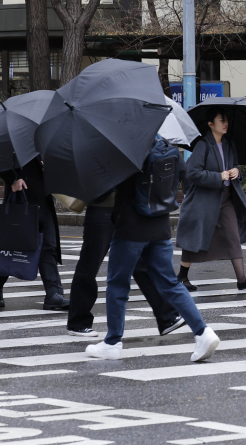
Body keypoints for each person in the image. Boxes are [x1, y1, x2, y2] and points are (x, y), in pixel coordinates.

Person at [85, 142, 219, 361]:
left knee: (118, 284)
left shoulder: (126, 148)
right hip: (160, 226)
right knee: (170, 283)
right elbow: (182, 175)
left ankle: (112, 342)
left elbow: (108, 183)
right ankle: (203, 332)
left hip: (130, 228)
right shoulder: (166, 146)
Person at [67, 191, 185, 338]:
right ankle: (78, 322)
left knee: (139, 261)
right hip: (103, 206)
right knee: (90, 263)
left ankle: (167, 316)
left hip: (127, 208)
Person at [176, 108, 246, 291]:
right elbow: (192, 173)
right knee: (196, 238)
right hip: (204, 200)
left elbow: (233, 167)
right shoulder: (203, 145)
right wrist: (219, 176)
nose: (225, 123)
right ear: (210, 124)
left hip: (225, 199)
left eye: (226, 120)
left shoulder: (228, 144)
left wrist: (236, 172)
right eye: (220, 120)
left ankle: (241, 279)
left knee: (233, 235)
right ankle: (182, 276)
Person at [0, 159, 68, 310]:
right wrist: (12, 178)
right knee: (12, 245)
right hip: (20, 193)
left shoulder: (42, 137)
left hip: (42, 195)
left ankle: (53, 294)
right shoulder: (14, 136)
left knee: (48, 245)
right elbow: (0, 158)